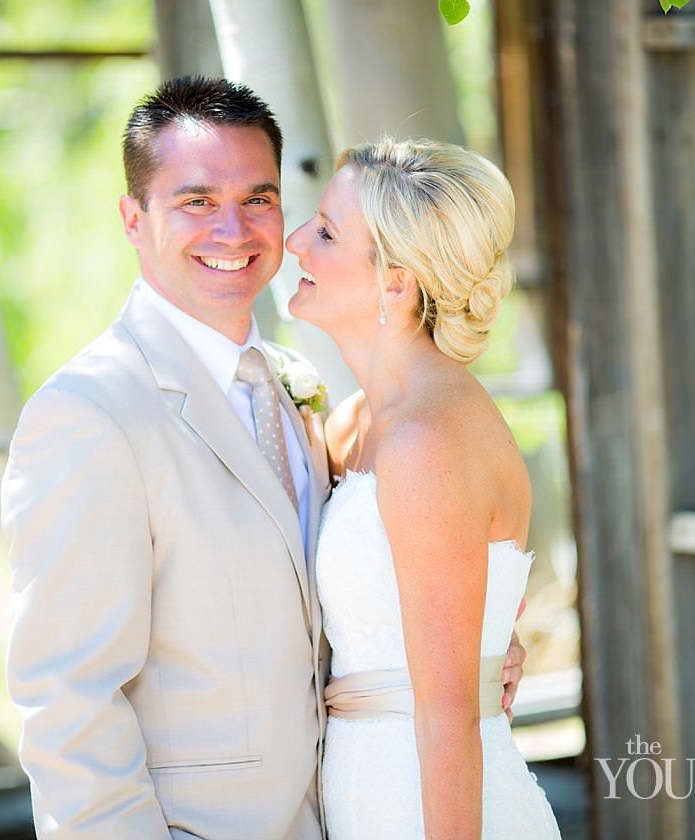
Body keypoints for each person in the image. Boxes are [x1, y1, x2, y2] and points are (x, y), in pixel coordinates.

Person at [1, 77, 527, 839]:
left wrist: (480, 652)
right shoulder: (89, 415)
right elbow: (68, 709)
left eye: (258, 198)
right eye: (195, 202)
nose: (236, 230)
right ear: (132, 219)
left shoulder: (308, 399)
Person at [286, 137, 561, 839]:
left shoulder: (426, 443)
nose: (294, 242)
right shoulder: (356, 425)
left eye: (325, 232)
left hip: (434, 809)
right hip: (366, 794)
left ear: (396, 284)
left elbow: (446, 718)